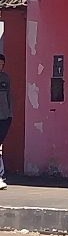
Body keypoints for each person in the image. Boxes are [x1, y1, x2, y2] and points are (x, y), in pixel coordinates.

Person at [0, 53, 12, 189]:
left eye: (2, 64)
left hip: (4, 117)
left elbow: (9, 96)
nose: (0, 66)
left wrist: (10, 114)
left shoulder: (5, 78)